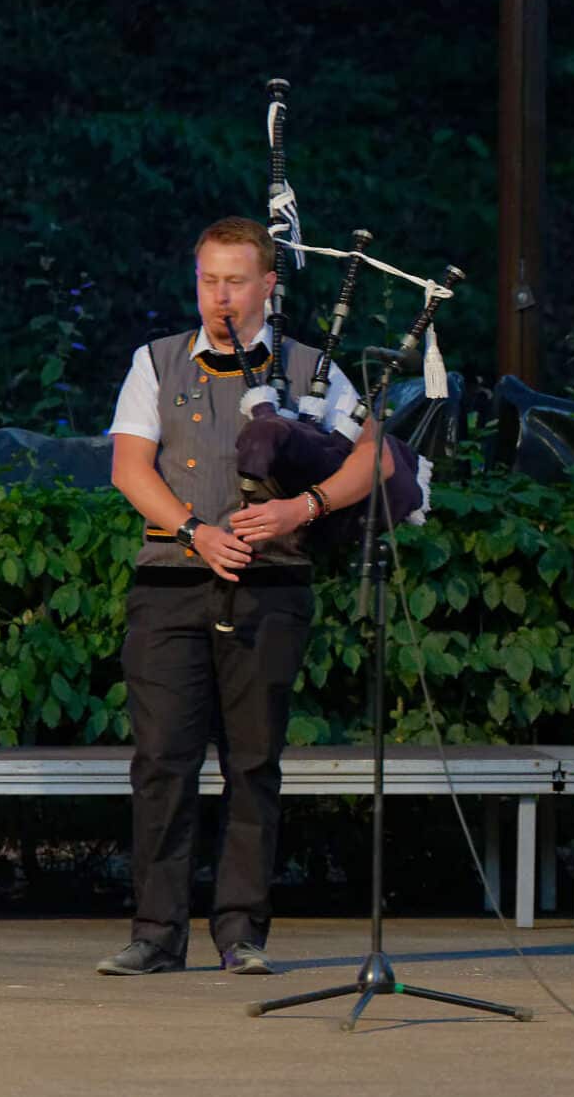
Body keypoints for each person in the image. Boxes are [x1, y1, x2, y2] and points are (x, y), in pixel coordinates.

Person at [98, 216, 387, 976]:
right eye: (208, 280)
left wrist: (303, 508)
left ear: (267, 286)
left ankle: (242, 935)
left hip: (271, 586)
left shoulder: (311, 367)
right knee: (162, 760)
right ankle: (156, 933)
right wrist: (195, 531)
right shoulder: (157, 361)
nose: (219, 296)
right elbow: (130, 468)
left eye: (234, 281)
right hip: (171, 582)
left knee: (253, 762)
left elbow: (378, 460)